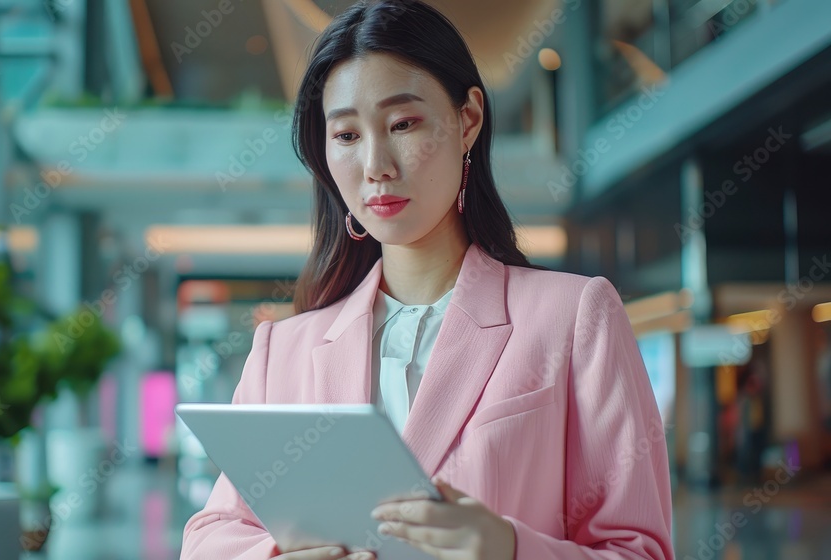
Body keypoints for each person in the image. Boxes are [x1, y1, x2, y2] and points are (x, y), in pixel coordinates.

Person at [180, 1, 674, 558]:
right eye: (345, 135)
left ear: (468, 121)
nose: (376, 164)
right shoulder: (282, 352)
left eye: (403, 123)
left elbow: (639, 549)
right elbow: (210, 536)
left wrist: (509, 548)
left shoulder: (574, 316)